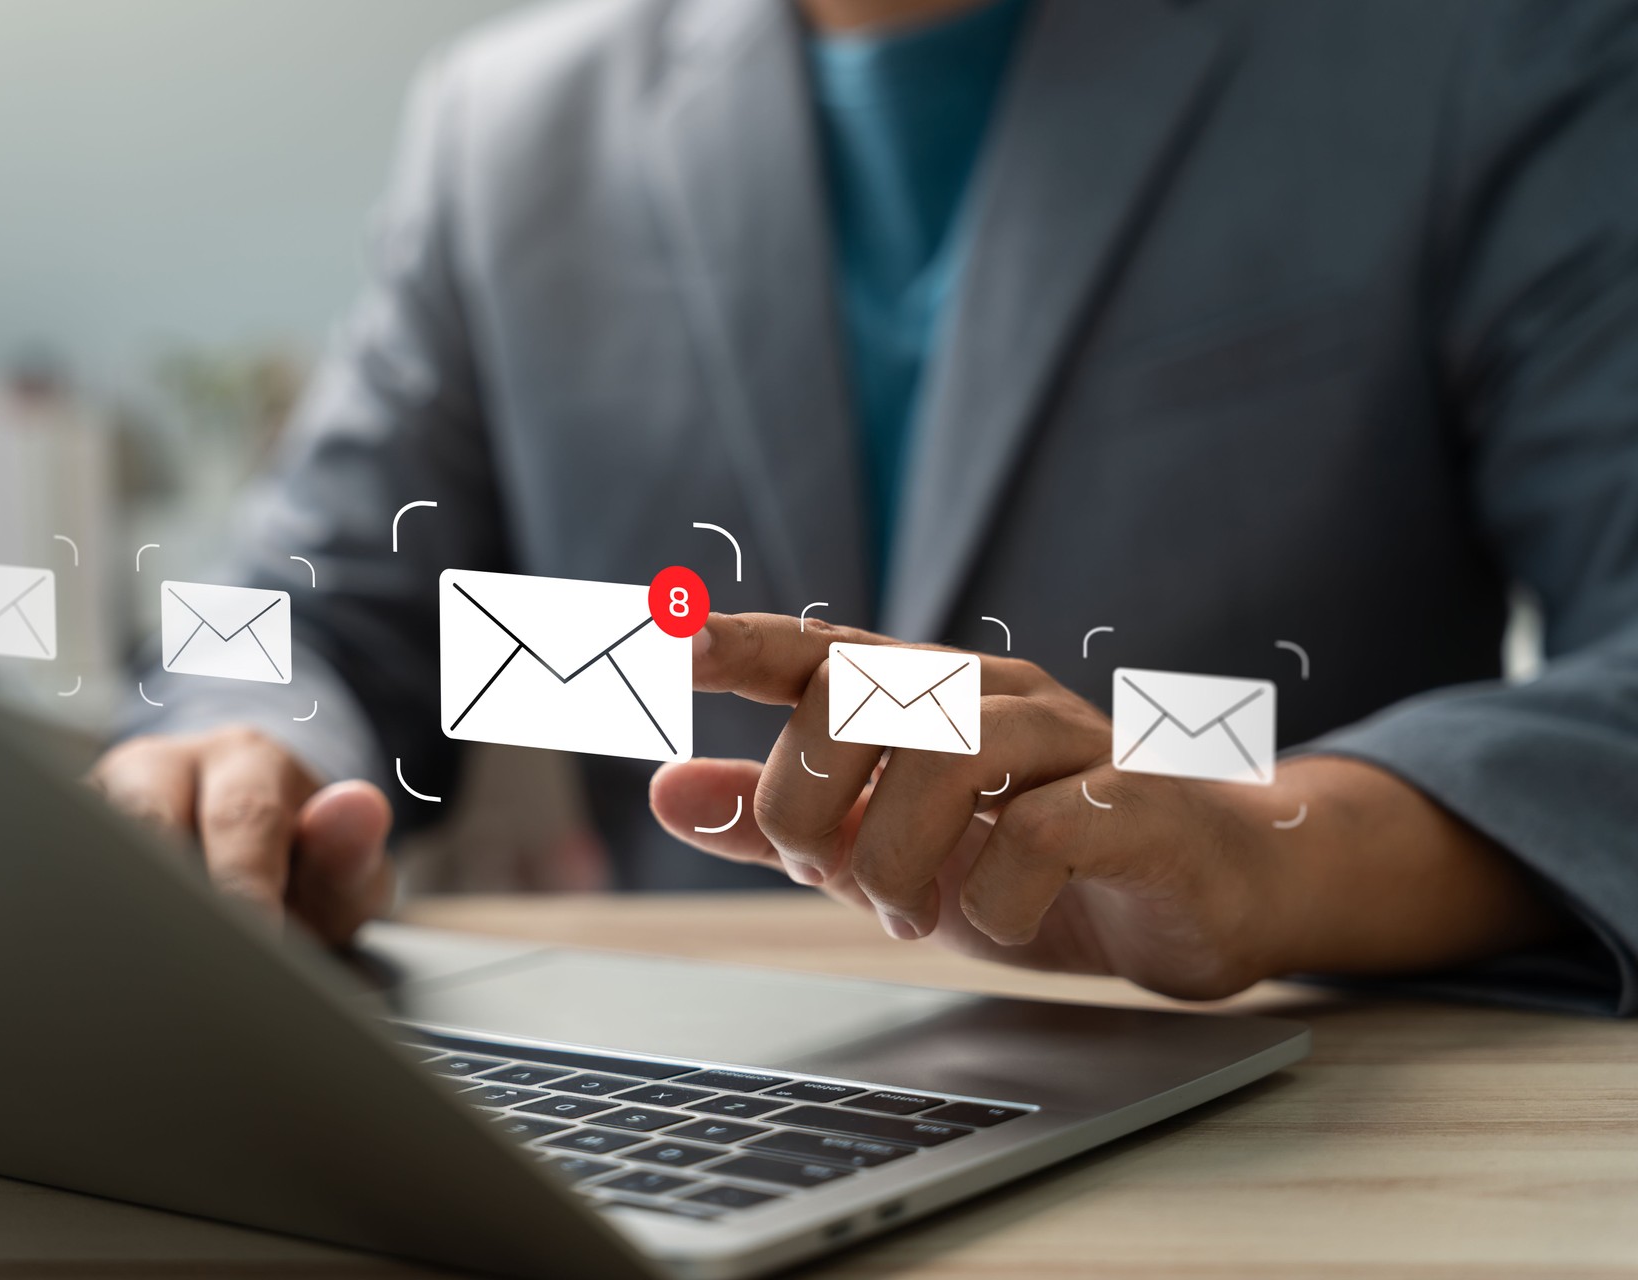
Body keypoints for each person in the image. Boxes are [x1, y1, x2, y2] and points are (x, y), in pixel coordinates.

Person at [94, 0, 1638, 1013]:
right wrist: (251, 764)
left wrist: (1271, 849)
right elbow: (300, 617)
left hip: (1289, 1108)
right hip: (699, 1118)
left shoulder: (1483, 47)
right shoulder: (505, 131)